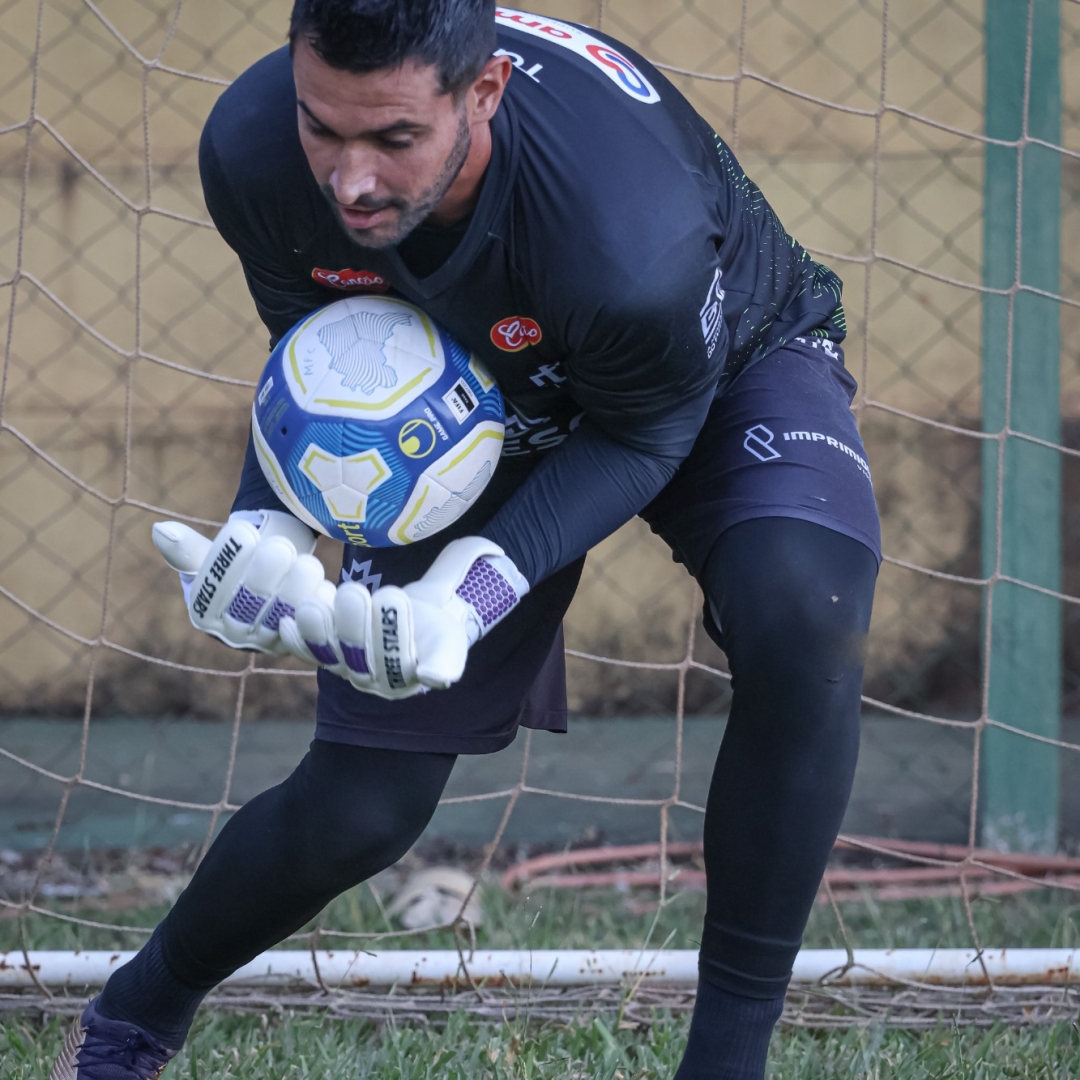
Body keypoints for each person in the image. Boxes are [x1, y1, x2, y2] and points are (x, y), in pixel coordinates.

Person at [49, 2, 880, 1078]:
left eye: (394, 139)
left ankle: (726, 1063)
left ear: (482, 92)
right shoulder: (253, 150)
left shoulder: (630, 233)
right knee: (363, 805)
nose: (350, 180)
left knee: (803, 609)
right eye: (325, 129)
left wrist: (466, 593)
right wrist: (270, 522)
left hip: (707, 366)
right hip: (449, 389)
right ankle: (132, 1017)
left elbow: (641, 431)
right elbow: (323, 347)